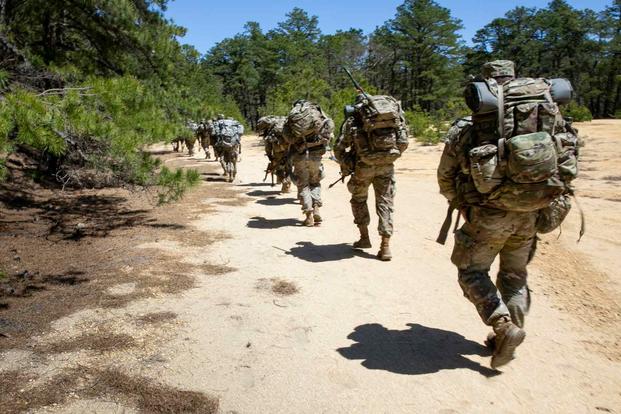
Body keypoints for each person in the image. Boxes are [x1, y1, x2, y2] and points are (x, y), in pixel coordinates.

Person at [437, 60, 579, 369]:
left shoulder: (471, 127)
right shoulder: (552, 121)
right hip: (531, 212)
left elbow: (446, 177)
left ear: (487, 85)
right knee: (514, 277)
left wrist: (461, 203)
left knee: (471, 272)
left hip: (488, 214)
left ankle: (503, 327)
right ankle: (509, 335)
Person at [333, 93, 409, 261]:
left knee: (359, 199)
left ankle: (364, 238)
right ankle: (385, 246)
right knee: (385, 202)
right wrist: (388, 157)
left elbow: (339, 147)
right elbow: (403, 143)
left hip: (363, 167)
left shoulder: (353, 122)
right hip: (386, 167)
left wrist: (347, 163)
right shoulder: (394, 120)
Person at [283, 100, 334, 226]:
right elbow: (329, 133)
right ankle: (316, 207)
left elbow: (287, 138)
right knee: (315, 182)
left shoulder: (293, 119)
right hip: (316, 155)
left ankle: (309, 215)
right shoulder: (318, 113)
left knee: (303, 185)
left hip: (300, 156)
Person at [257, 115, 292, 193]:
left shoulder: (272, 131)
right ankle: (288, 184)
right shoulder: (287, 127)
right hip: (290, 151)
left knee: (279, 169)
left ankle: (284, 182)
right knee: (288, 168)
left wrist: (269, 155)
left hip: (278, 152)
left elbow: (268, 146)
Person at [212, 115, 244, 182]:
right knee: (234, 158)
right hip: (233, 143)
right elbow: (240, 132)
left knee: (222, 156)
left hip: (224, 144)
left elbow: (215, 133)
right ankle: (234, 169)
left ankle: (227, 171)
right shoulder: (235, 123)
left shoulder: (221, 123)